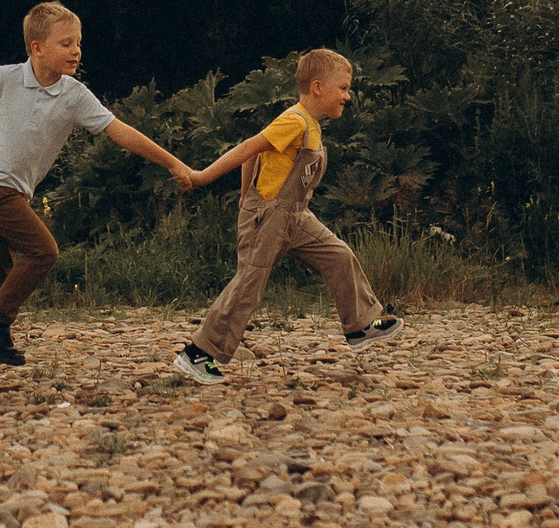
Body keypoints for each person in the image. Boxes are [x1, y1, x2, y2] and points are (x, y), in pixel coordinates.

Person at [0, 1, 196, 393]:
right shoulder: (5, 79)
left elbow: (121, 132)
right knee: (43, 251)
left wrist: (172, 163)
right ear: (36, 48)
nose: (76, 51)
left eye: (79, 43)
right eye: (65, 43)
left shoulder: (75, 96)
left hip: (13, 192)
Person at [169, 47, 402, 385]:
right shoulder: (295, 119)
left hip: (296, 215)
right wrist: (206, 178)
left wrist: (246, 191)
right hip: (271, 216)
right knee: (249, 283)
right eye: (344, 88)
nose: (347, 97)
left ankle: (360, 326)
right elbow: (249, 147)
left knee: (338, 255)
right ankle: (198, 355)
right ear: (319, 87)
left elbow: (257, 149)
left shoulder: (309, 124)